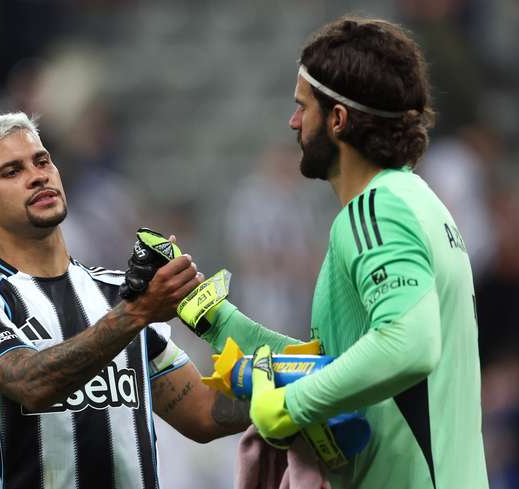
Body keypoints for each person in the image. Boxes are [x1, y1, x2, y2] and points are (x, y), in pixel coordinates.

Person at [175, 17, 489, 488]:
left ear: (338, 119)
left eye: (303, 107)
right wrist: (213, 318)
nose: (293, 121)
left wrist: (292, 406)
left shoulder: (375, 209)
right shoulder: (418, 203)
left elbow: (410, 343)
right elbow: (332, 369)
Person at [0, 113, 250, 489]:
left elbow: (203, 414)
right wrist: (138, 313)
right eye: (12, 171)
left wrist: (303, 388)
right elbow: (30, 382)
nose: (38, 175)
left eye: (42, 161)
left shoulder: (117, 293)